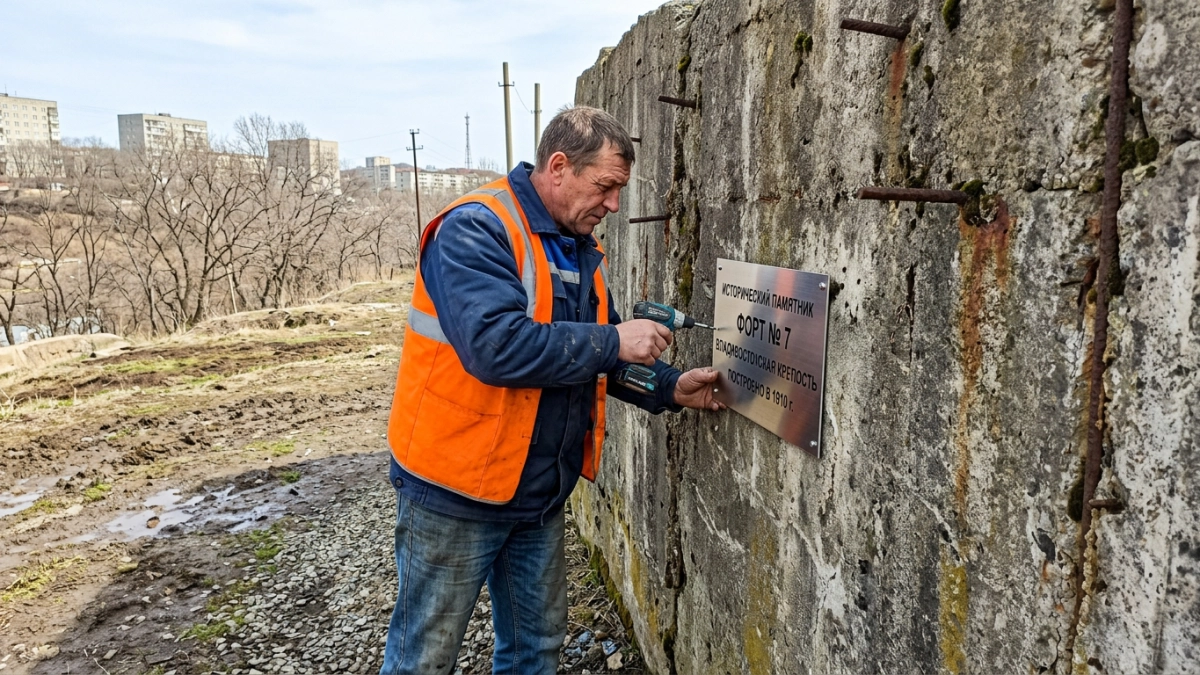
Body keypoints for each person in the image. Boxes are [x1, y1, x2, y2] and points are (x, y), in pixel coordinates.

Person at [381, 106, 723, 675]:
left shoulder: (574, 247)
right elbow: (498, 347)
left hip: (535, 494)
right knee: (424, 657)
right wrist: (615, 341)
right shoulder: (477, 227)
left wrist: (670, 387)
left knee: (536, 651)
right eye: (606, 186)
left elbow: (595, 354)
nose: (614, 205)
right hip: (455, 491)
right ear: (559, 166)